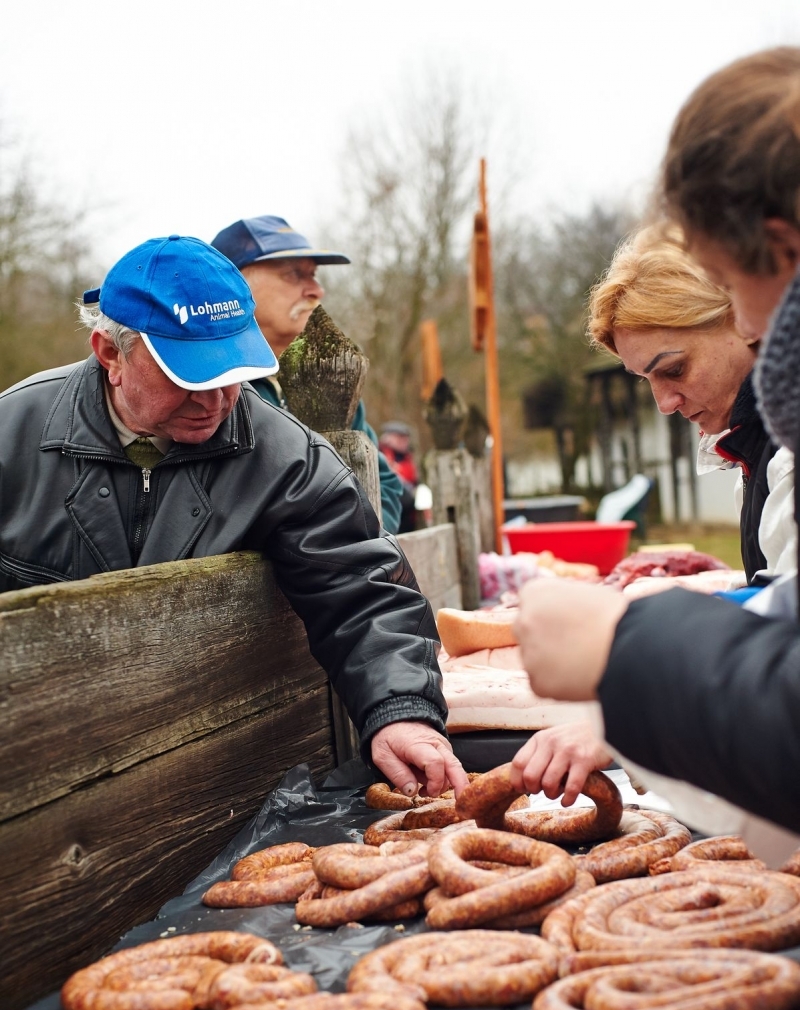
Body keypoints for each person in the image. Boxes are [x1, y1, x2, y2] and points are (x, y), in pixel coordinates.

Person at [0, 234, 466, 798]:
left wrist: (401, 710)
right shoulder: (13, 435)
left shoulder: (286, 458)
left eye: (231, 372)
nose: (217, 400)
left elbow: (359, 585)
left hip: (209, 781)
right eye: (189, 376)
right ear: (110, 354)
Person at [513, 47, 800, 824]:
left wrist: (628, 664)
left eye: (741, 290)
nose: (667, 402)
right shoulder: (761, 441)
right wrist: (718, 589)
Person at [589, 225, 795, 581]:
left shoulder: (788, 452)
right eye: (646, 380)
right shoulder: (754, 449)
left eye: (675, 369)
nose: (664, 404)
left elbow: (786, 626)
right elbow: (773, 590)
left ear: (743, 318)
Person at [210, 215, 404, 534]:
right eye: (294, 274)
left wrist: (370, 546)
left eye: (313, 275)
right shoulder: (208, 386)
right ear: (233, 284)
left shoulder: (329, 381)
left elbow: (385, 485)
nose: (317, 290)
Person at [379, 421, 420, 534]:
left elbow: (415, 483)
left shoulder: (408, 458)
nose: (404, 442)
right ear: (388, 438)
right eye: (399, 438)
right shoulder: (380, 455)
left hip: (408, 517)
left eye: (405, 438)